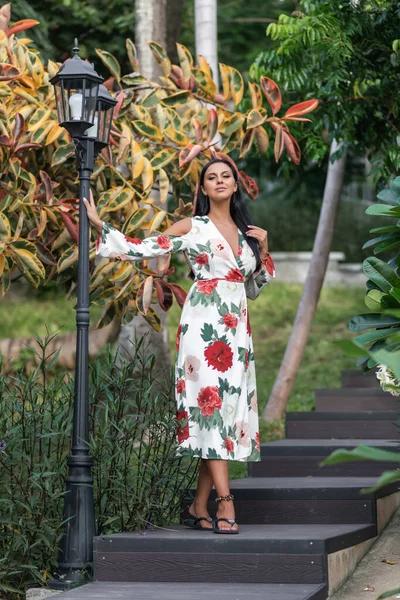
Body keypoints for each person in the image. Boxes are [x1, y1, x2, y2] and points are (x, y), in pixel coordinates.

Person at [83, 157, 275, 535]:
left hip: (237, 332)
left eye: (226, 176)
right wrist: (100, 226)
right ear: (202, 189)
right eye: (211, 177)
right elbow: (146, 246)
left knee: (222, 416)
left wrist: (264, 250)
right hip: (203, 328)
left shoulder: (248, 232)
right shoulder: (194, 226)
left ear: (236, 185)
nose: (219, 181)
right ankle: (225, 502)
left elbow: (252, 288)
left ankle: (197, 505)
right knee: (212, 411)